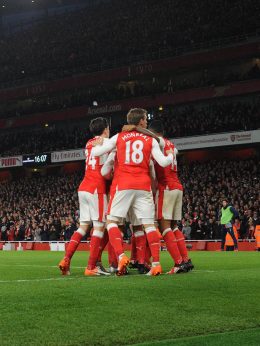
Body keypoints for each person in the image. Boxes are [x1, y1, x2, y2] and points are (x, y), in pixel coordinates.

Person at [92, 108, 174, 276]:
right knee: (149, 225)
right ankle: (156, 264)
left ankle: (122, 256)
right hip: (143, 186)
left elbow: (95, 152)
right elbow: (164, 162)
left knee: (112, 222)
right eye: (145, 119)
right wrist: (171, 155)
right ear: (141, 121)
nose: (146, 121)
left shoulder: (119, 137)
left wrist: (100, 144)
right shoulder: (150, 140)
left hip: (124, 184)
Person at [58, 117, 111, 276]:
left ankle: (66, 260)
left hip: (84, 187)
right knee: (99, 226)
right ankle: (91, 266)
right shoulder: (106, 143)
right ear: (106, 129)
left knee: (82, 227)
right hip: (96, 187)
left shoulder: (89, 143)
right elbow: (106, 171)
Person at [148, 120, 194, 274]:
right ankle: (186, 260)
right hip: (177, 187)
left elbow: (156, 140)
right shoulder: (172, 145)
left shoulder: (159, 141)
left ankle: (178, 263)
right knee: (174, 226)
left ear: (153, 132)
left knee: (164, 226)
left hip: (166, 187)